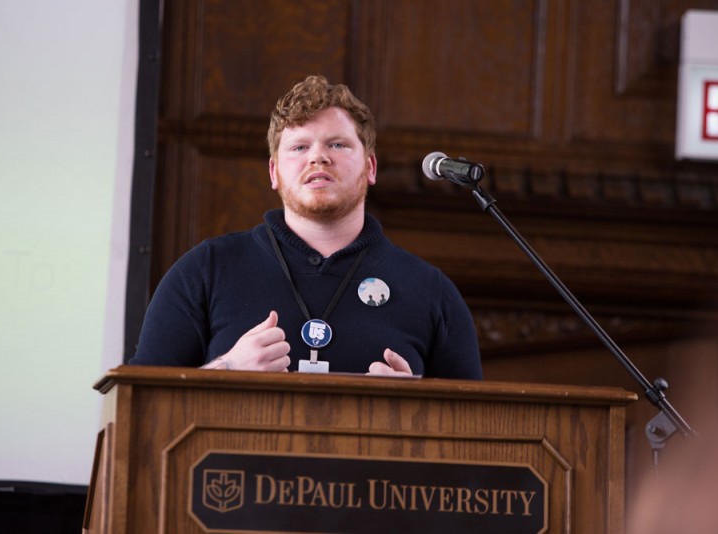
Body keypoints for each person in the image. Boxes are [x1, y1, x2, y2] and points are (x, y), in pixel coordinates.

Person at [130, 75, 482, 378]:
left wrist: (418, 410)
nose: (318, 157)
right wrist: (227, 368)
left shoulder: (430, 290)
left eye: (338, 144)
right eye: (299, 147)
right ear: (274, 172)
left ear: (370, 167)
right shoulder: (206, 269)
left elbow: (474, 429)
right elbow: (144, 404)